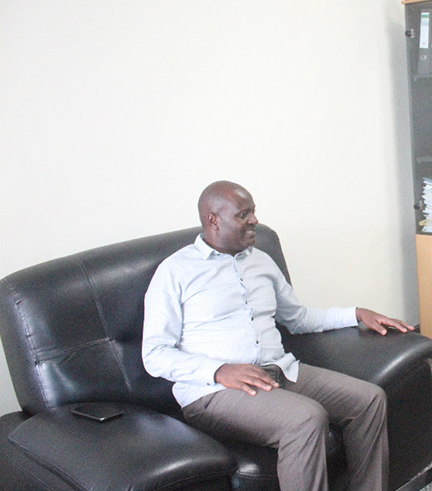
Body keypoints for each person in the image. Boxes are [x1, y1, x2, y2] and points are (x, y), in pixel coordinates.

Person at [142, 180, 415, 491]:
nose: (254, 220)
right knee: (305, 419)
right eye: (243, 214)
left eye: (253, 212)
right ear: (213, 220)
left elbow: (297, 318)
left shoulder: (260, 261)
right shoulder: (175, 271)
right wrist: (218, 370)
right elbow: (155, 354)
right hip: (213, 392)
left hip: (280, 370)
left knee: (369, 400)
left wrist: (355, 313)